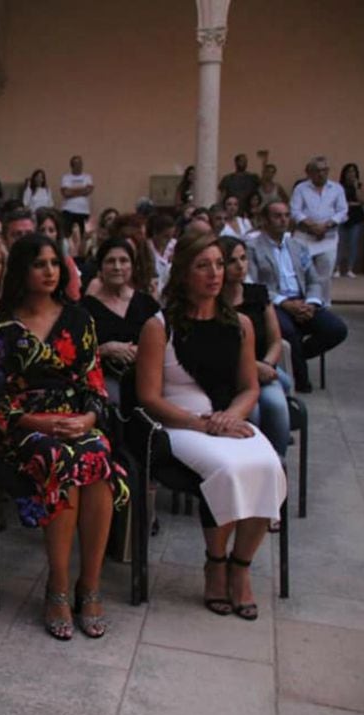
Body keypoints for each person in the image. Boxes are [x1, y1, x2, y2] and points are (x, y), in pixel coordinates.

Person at [0, 233, 128, 641]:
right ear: (22, 272)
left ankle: (90, 584)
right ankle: (58, 586)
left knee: (97, 458)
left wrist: (85, 420)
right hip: (24, 428)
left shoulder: (79, 318)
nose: (49, 271)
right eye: (39, 264)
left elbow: (95, 382)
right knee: (63, 460)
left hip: (76, 421)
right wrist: (38, 423)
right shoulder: (2, 325)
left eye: (54, 264)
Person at [135, 226, 286, 621]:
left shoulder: (240, 324)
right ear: (184, 273)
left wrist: (230, 417)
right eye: (203, 266)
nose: (215, 273)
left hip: (226, 418)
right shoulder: (158, 326)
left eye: (219, 265)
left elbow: (249, 388)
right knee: (231, 468)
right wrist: (201, 425)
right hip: (179, 423)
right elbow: (149, 397)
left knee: (269, 466)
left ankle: (241, 566)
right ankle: (215, 562)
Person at [246, 202, 348, 393]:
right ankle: (301, 381)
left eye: (286, 215)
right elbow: (254, 284)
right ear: (265, 221)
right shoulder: (252, 248)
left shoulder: (297, 246)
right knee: (288, 331)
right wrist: (284, 303)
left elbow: (314, 280)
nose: (283, 220)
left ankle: (296, 356)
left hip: (302, 300)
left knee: (336, 329)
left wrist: (311, 303)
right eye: (277, 216)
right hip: (274, 303)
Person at [219, 236, 290, 456]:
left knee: (276, 405)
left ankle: (278, 464)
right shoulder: (212, 300)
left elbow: (276, 340)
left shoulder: (258, 293)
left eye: (243, 258)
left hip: (265, 369)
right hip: (230, 372)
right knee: (254, 412)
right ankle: (251, 461)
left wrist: (267, 364)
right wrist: (253, 367)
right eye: (232, 261)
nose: (240, 266)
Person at [81, 237, 161, 402]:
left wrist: (144, 350)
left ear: (132, 266)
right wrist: (105, 349)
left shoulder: (147, 304)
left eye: (123, 261)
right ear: (101, 267)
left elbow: (165, 343)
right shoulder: (85, 309)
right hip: (106, 381)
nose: (117, 267)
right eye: (110, 261)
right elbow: (76, 353)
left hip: (148, 376)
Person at [290, 156, 348, 303]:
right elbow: (295, 211)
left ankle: (323, 306)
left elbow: (342, 211)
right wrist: (312, 226)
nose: (321, 174)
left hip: (327, 239)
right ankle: (302, 303)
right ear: (309, 172)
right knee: (301, 273)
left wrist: (327, 225)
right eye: (317, 170)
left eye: (324, 170)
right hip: (304, 237)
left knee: (324, 275)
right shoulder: (300, 188)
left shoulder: (337, 188)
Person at [336, 163, 364, 278]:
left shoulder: (359, 186)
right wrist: (352, 204)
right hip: (342, 216)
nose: (351, 173)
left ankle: (350, 268)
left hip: (356, 217)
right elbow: (340, 201)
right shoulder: (339, 186)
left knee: (353, 243)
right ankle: (337, 268)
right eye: (349, 171)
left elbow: (362, 200)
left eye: (353, 171)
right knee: (340, 243)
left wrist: (355, 187)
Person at [59, 155, 94, 238]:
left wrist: (72, 191)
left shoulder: (87, 177)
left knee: (82, 235)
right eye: (77, 164)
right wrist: (82, 190)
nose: (79, 166)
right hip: (68, 210)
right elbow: (66, 193)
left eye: (80, 163)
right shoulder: (66, 177)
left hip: (83, 211)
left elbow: (88, 191)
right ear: (72, 166)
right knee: (67, 234)